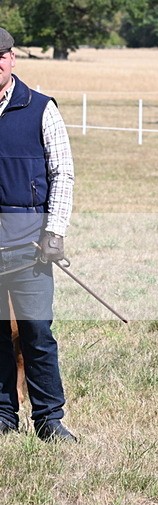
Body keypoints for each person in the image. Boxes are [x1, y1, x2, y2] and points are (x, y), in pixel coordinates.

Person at [0, 27, 77, 442]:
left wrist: (55, 230)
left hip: (29, 246)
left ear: (12, 60)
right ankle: (3, 416)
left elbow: (62, 172)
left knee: (37, 333)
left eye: (2, 56)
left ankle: (49, 418)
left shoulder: (41, 108)